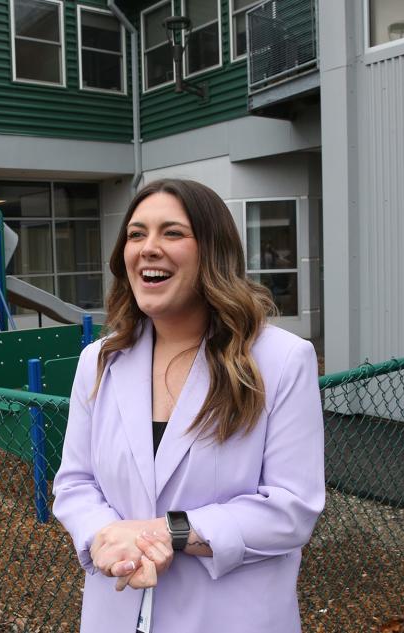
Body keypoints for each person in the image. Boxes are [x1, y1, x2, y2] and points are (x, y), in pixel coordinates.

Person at [52, 179, 325, 633]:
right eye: (137, 234)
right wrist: (104, 538)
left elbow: (292, 509)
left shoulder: (280, 361)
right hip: (116, 614)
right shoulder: (99, 360)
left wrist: (168, 532)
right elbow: (75, 483)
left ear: (213, 253)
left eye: (172, 233)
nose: (148, 248)